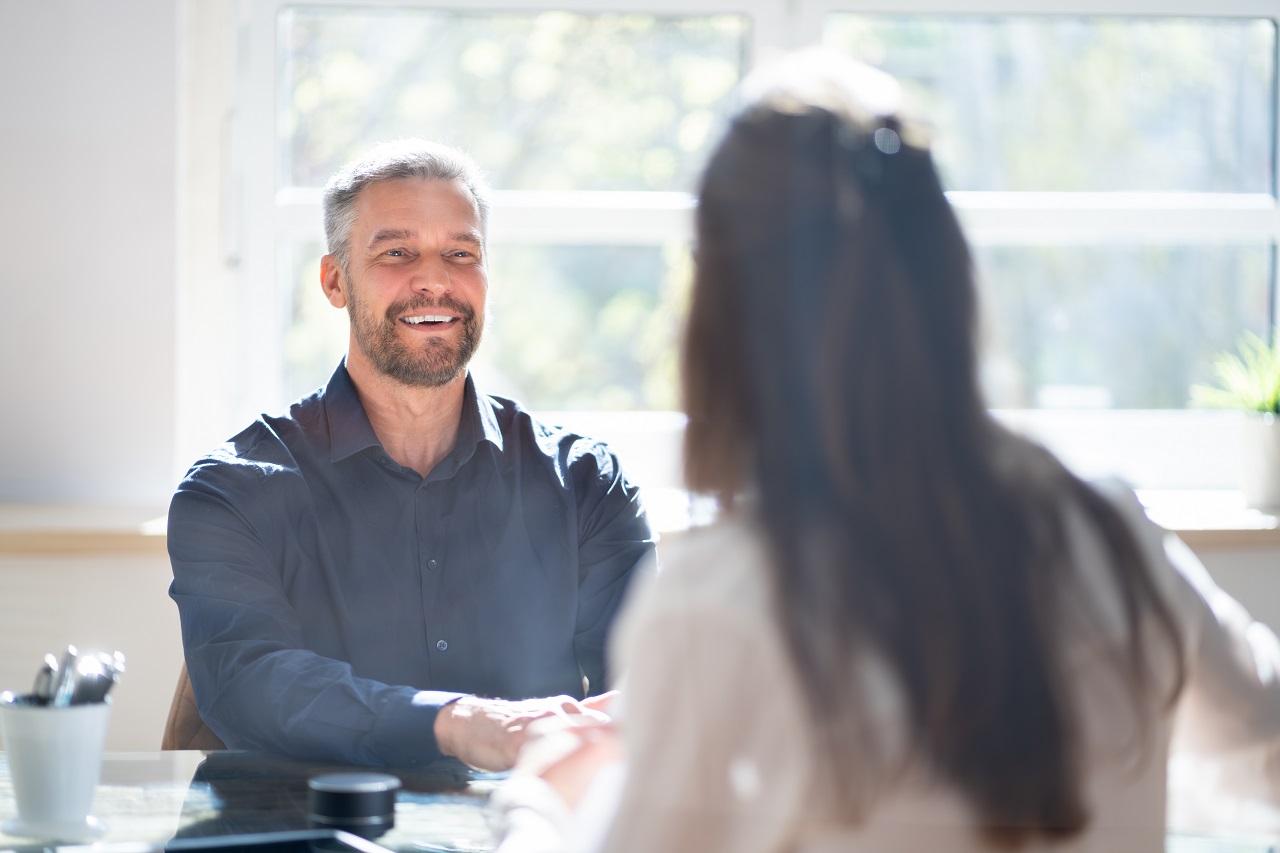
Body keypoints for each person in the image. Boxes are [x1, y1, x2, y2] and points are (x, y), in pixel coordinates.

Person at [489, 50, 1280, 851]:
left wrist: (538, 805)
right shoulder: (1108, 531)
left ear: (720, 315)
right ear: (947, 276)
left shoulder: (720, 603)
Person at [167, 140, 655, 770]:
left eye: (461, 253)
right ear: (335, 281)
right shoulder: (231, 491)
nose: (435, 279)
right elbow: (248, 683)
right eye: (397, 253)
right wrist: (457, 724)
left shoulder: (588, 484)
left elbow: (652, 687)